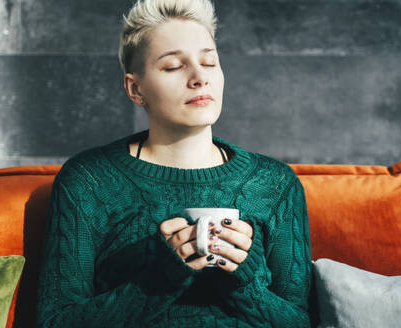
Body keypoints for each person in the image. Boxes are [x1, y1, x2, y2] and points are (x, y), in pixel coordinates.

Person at [35, 0, 313, 327]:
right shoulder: (89, 181)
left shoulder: (274, 183)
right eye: (173, 67)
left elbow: (299, 322)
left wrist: (243, 279)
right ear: (135, 89)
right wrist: (160, 279)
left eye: (209, 62)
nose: (199, 78)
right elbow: (55, 322)